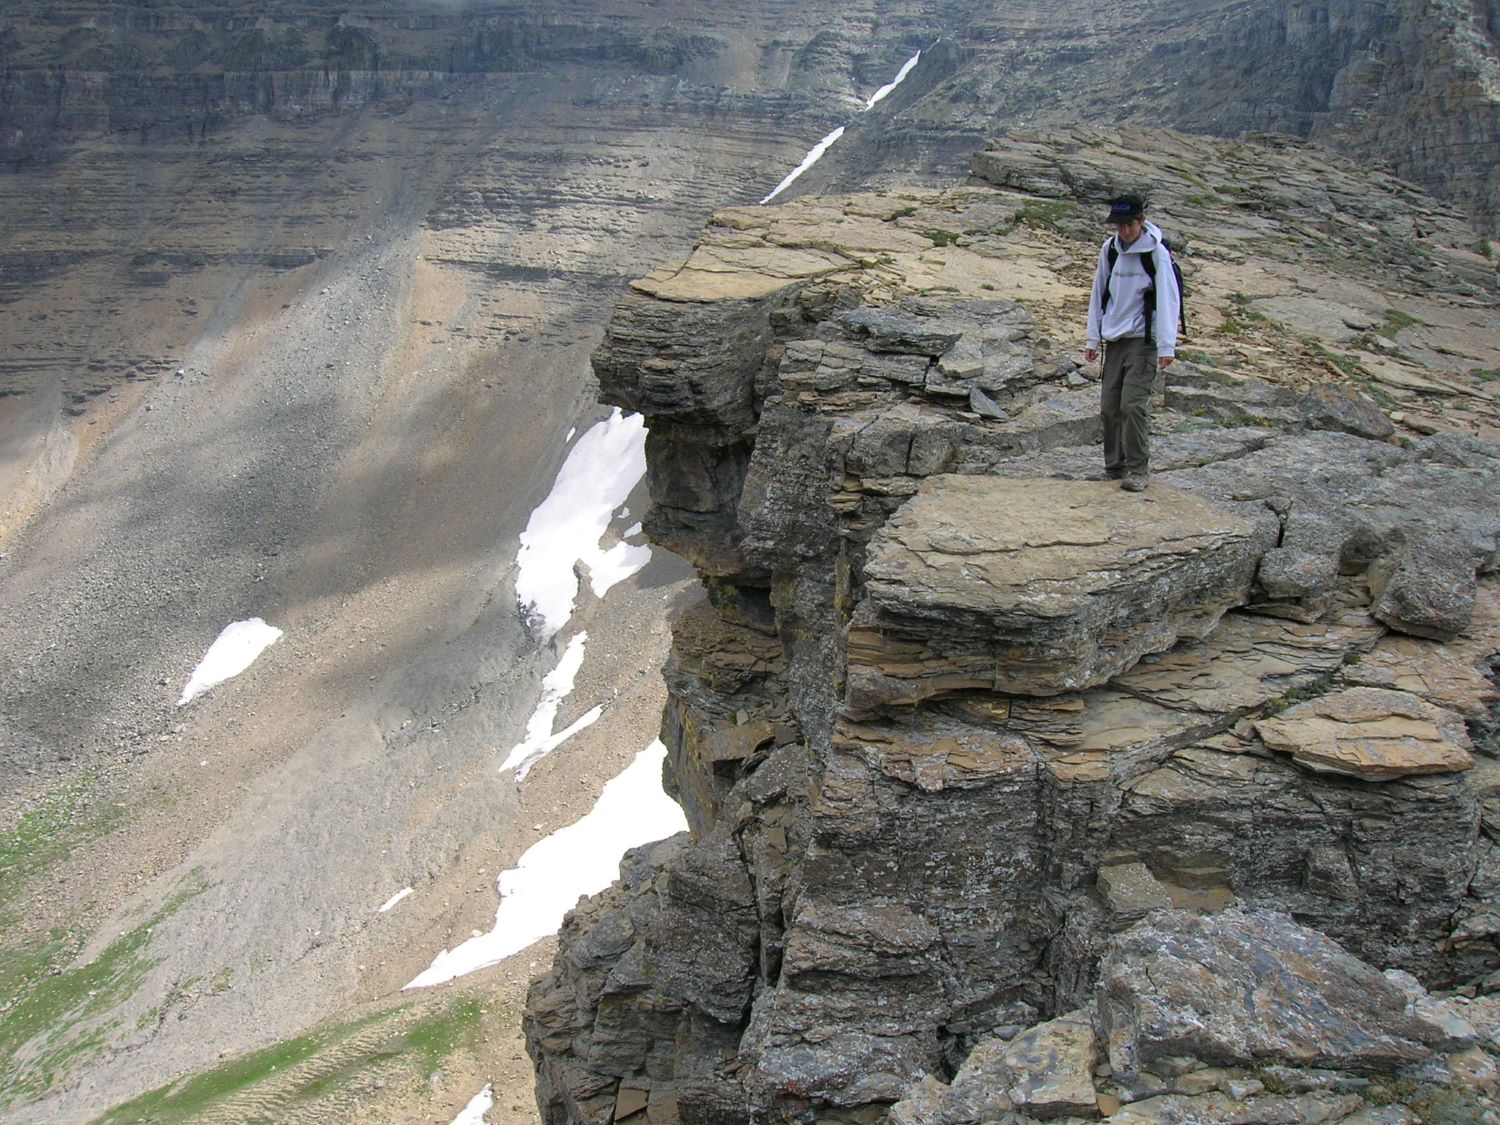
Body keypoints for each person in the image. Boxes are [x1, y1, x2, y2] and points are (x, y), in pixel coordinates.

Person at [1084, 194, 1179, 492]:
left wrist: (1167, 345)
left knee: (1132, 405)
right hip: (1115, 339)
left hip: (1143, 340)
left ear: (1142, 221)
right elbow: (1099, 292)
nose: (1124, 231)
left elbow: (1168, 299)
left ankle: (1138, 469)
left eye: (1129, 225)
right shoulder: (1110, 250)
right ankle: (1114, 467)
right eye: (1120, 226)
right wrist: (1093, 337)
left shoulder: (1156, 254)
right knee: (1109, 407)